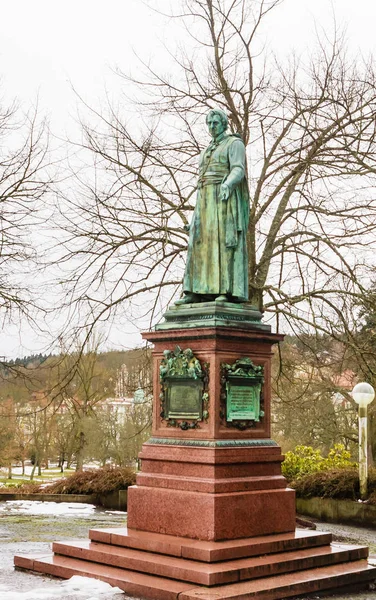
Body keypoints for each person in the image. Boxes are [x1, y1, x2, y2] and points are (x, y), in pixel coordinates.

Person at [176, 109, 249, 305]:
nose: (211, 127)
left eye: (215, 123)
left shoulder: (234, 144)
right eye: (209, 124)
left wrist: (228, 184)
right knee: (199, 245)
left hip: (223, 199)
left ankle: (224, 289)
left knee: (222, 243)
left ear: (224, 124)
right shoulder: (206, 150)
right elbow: (201, 184)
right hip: (204, 202)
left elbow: (238, 169)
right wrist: (194, 219)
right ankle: (196, 291)